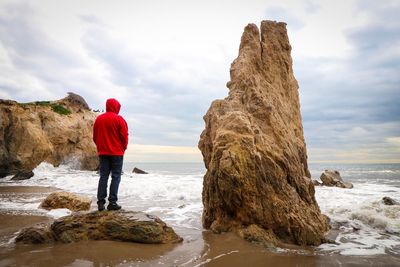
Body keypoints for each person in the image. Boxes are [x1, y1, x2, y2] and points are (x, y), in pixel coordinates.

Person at [93, 98, 128, 211]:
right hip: (117, 153)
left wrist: (101, 147)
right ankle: (112, 203)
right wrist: (123, 148)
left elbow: (95, 137)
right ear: (116, 107)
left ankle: (100, 203)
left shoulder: (99, 119)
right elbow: (124, 136)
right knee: (116, 176)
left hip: (103, 152)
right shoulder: (119, 119)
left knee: (103, 177)